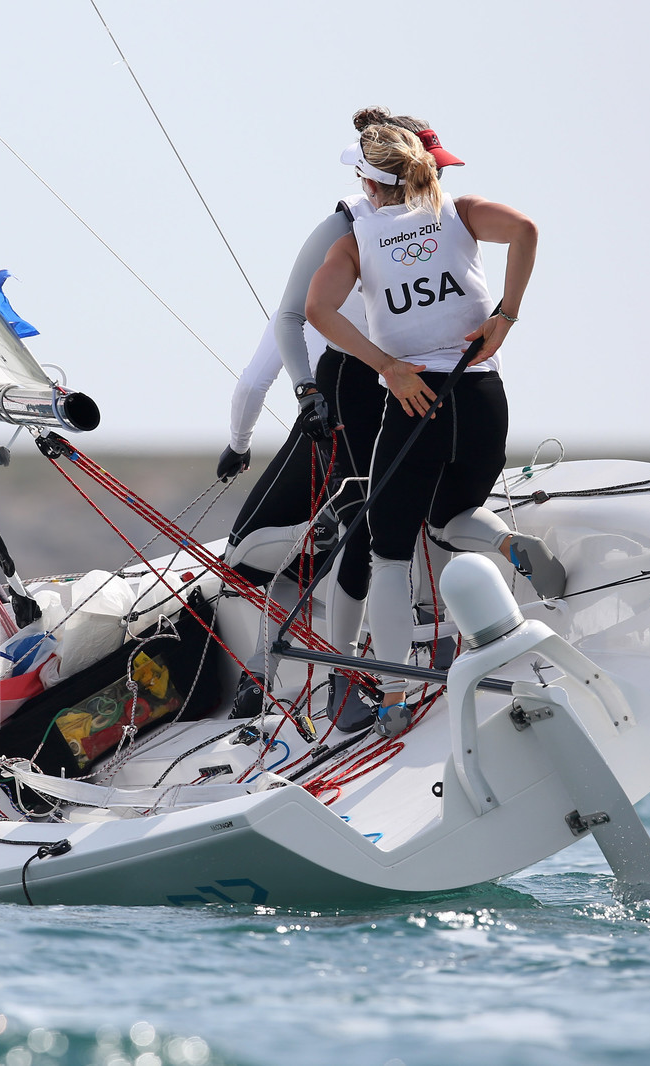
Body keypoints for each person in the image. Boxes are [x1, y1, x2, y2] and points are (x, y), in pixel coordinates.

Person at [305, 122, 565, 737]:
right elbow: (527, 230)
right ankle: (506, 543)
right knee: (452, 518)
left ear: (368, 181)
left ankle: (393, 697)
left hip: (415, 400)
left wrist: (387, 366)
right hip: (481, 393)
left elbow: (317, 310)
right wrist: (506, 313)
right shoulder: (462, 210)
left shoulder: (356, 240)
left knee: (388, 555)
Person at [220, 109, 465, 725]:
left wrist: (240, 443)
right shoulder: (441, 232)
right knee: (384, 525)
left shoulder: (343, 237)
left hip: (346, 399)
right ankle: (407, 637)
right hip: (423, 396)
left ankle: (279, 675)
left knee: (258, 549)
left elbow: (258, 372)